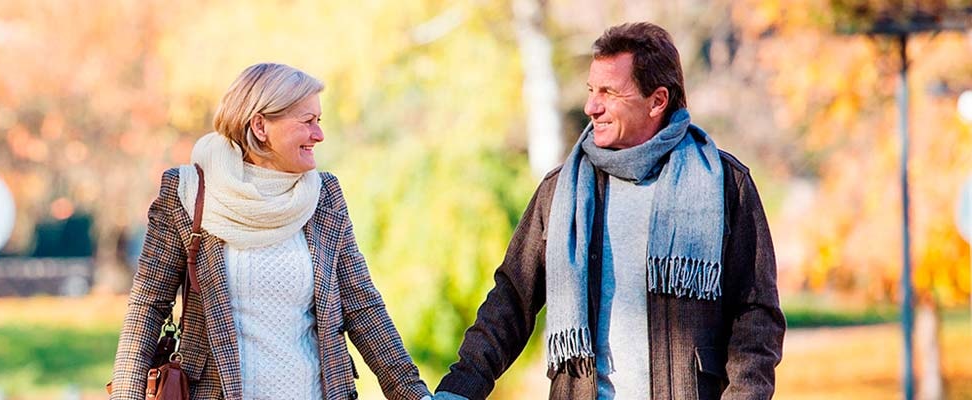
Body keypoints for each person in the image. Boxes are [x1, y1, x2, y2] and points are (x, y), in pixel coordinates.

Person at [434, 22, 785, 400]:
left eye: (609, 92)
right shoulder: (560, 191)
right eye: (590, 90)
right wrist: (458, 390)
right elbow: (510, 303)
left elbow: (756, 318)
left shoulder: (725, 185)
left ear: (657, 101)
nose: (591, 106)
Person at [111, 63, 432, 400]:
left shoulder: (324, 197)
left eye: (318, 122)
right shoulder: (189, 193)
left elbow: (362, 306)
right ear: (260, 125)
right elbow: (147, 307)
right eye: (307, 122)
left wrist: (413, 394)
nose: (319, 135)